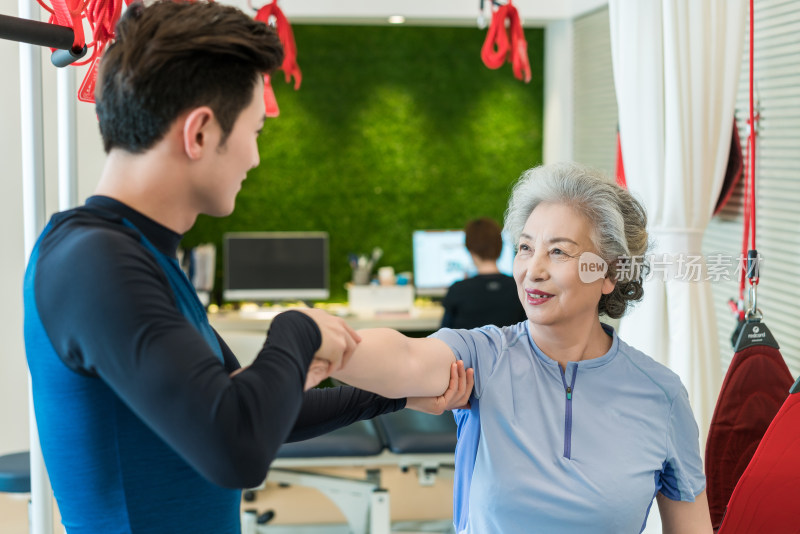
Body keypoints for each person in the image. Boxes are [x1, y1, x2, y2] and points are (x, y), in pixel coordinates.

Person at [22, 2, 470, 532]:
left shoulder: (135, 256)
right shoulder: (94, 263)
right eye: (255, 132)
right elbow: (234, 446)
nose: (255, 159)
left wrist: (393, 392)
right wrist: (296, 330)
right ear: (201, 133)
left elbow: (252, 405)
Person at [333, 162, 712, 533]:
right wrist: (313, 339)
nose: (533, 269)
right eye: (525, 247)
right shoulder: (482, 358)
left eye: (559, 252)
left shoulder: (660, 394)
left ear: (609, 274)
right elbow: (404, 358)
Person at [441, 217, 526, 329]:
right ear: (500, 246)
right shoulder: (520, 288)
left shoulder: (458, 290)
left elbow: (444, 334)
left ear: (469, 248)